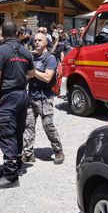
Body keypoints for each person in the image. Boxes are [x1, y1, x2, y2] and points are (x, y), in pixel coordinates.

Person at [0, 21, 34, 189]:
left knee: (7, 133)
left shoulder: (0, 51)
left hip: (8, 96)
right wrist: (19, 76)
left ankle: (11, 176)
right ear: (16, 33)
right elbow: (32, 73)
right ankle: (17, 166)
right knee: (17, 131)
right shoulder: (24, 50)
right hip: (23, 94)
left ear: (3, 33)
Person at [23, 33, 64, 164]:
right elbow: (27, 76)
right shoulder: (33, 57)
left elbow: (47, 77)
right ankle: (28, 154)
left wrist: (32, 72)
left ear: (46, 42)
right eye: (35, 40)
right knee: (28, 126)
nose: (37, 42)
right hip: (31, 96)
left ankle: (58, 151)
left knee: (48, 125)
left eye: (40, 40)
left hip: (44, 98)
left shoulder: (50, 58)